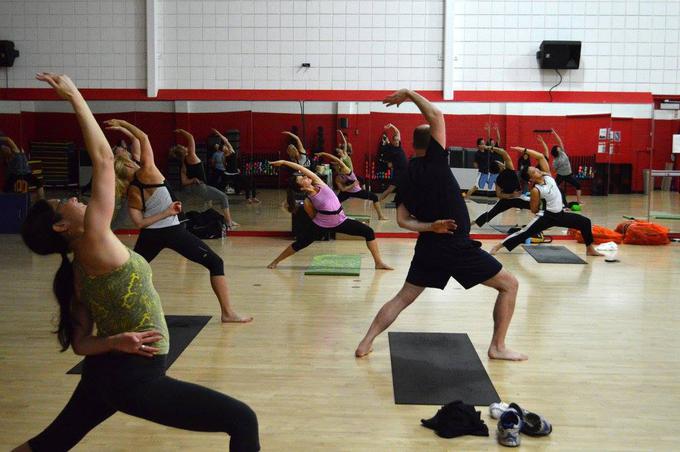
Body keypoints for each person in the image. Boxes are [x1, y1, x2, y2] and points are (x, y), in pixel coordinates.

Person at [15, 72, 259, 452]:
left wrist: (113, 340)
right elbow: (102, 160)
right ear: (63, 226)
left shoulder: (78, 266)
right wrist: (74, 96)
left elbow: (81, 343)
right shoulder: (92, 243)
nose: (75, 200)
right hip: (135, 379)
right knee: (242, 419)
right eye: (65, 203)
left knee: (50, 443)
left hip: (107, 372)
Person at [355, 88, 527, 361]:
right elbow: (436, 113)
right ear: (434, 142)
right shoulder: (435, 161)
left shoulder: (407, 175)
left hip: (430, 246)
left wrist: (430, 227)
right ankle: (498, 347)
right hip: (454, 246)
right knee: (510, 285)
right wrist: (409, 94)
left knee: (403, 297)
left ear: (413, 144)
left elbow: (402, 220)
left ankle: (366, 342)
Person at [111, 119, 252, 323]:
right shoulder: (148, 172)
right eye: (130, 158)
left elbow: (139, 224)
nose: (134, 158)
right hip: (172, 231)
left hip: (151, 235)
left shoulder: (131, 189)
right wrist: (123, 123)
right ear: (129, 164)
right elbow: (143, 137)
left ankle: (114, 310)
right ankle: (228, 313)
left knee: (131, 271)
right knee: (215, 262)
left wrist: (124, 130)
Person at [266, 159, 393, 270]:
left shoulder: (319, 182)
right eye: (302, 179)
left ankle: (378, 263)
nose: (305, 176)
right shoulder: (307, 201)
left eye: (304, 176)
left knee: (369, 232)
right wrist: (320, 228)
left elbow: (301, 168)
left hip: (341, 221)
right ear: (302, 188)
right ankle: (275, 261)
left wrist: (283, 163)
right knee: (300, 244)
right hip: (321, 224)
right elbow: (313, 216)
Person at [489, 157, 604, 257]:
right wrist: (542, 210)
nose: (537, 171)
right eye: (533, 172)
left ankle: (589, 249)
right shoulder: (536, 190)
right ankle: (498, 246)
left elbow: (541, 158)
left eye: (536, 169)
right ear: (531, 179)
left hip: (560, 214)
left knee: (585, 222)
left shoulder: (549, 178)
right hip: (546, 217)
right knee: (524, 233)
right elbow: (533, 209)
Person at [170, 129, 239, 229]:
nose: (186, 147)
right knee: (223, 197)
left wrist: (193, 179)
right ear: (184, 150)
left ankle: (179, 220)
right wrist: (181, 131)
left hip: (192, 189)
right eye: (184, 147)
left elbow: (184, 182)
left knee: (187, 203)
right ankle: (229, 222)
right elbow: (190, 137)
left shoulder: (183, 165)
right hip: (201, 188)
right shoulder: (191, 156)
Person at [473, 146, 549, 227]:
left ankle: (473, 223)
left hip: (506, 201)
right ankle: (544, 223)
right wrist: (490, 147)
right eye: (499, 162)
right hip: (518, 198)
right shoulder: (509, 169)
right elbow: (503, 152)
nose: (501, 162)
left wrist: (510, 195)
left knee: (491, 213)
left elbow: (499, 195)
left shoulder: (498, 180)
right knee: (538, 207)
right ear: (499, 166)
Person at [317, 151, 387, 220]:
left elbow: (337, 159)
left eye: (337, 165)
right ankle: (329, 216)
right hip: (346, 192)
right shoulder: (337, 178)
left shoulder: (346, 170)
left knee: (374, 197)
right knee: (335, 202)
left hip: (357, 191)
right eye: (335, 167)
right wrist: (353, 185)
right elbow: (343, 189)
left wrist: (323, 153)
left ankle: (380, 216)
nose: (336, 167)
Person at [210, 130, 259, 204]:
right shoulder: (224, 156)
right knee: (217, 185)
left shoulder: (232, 151)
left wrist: (219, 134)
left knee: (252, 181)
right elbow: (224, 166)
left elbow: (225, 140)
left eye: (226, 146)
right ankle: (211, 198)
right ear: (223, 150)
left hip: (235, 174)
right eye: (224, 147)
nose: (226, 147)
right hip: (229, 174)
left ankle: (253, 197)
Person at [539, 130, 582, 205]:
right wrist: (558, 167)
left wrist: (554, 133)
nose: (559, 147)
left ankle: (579, 201)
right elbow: (554, 170)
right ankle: (553, 201)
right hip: (561, 176)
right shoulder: (555, 161)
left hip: (569, 175)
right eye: (558, 148)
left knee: (578, 185)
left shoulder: (562, 152)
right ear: (556, 151)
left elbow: (559, 141)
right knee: (554, 187)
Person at [1, 134, 45, 200]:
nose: (5, 147)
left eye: (5, 147)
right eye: (3, 148)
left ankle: (41, 200)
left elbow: (8, 140)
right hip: (17, 175)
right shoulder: (9, 159)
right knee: (5, 188)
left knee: (39, 183)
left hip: (24, 174)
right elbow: (8, 140)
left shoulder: (16, 152)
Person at [378, 123, 408, 203]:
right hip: (399, 172)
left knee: (404, 186)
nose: (397, 141)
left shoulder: (399, 146)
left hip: (405, 170)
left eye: (398, 140)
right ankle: (377, 201)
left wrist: (391, 125)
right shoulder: (390, 148)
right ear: (393, 141)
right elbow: (389, 163)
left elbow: (397, 132)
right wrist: (391, 164)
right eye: (396, 140)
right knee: (390, 189)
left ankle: (398, 200)